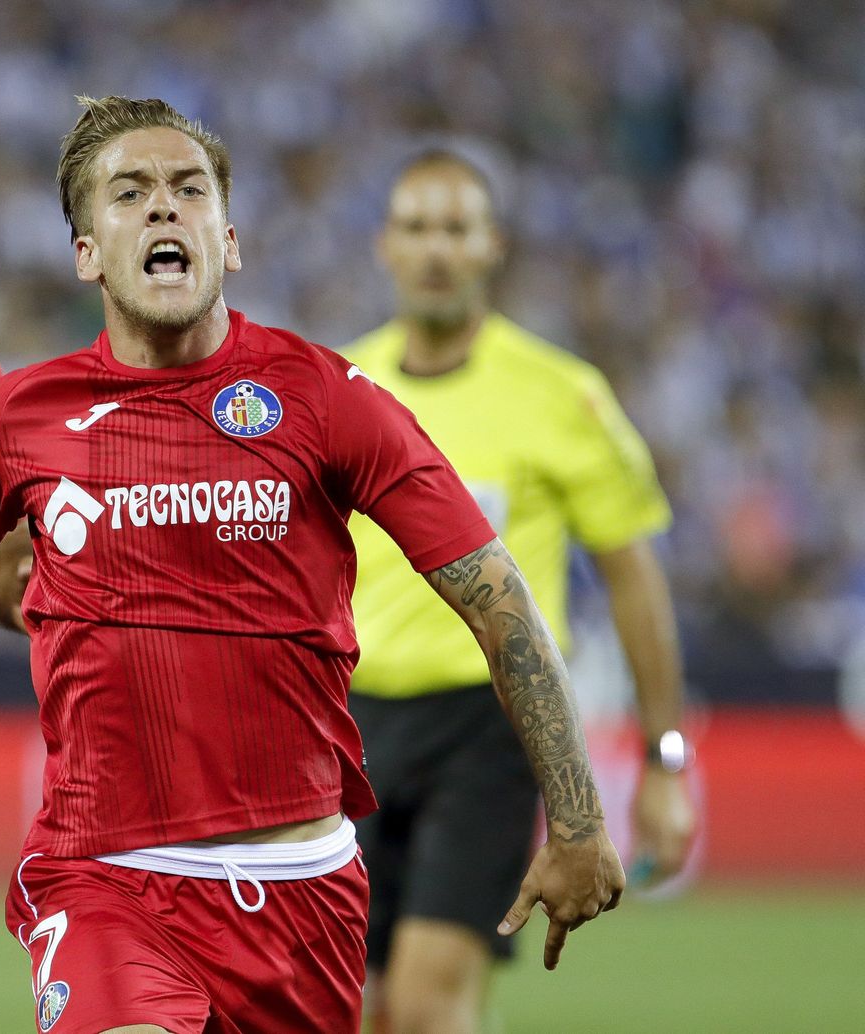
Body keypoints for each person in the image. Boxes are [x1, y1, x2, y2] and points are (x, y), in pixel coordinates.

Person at [0, 96, 624, 1034]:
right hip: (106, 878)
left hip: (303, 892)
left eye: (188, 189)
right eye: (129, 193)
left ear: (228, 236)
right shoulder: (19, 419)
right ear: (87, 251)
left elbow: (498, 600)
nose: (163, 209)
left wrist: (578, 816)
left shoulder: (329, 401)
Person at [342, 149, 697, 1034]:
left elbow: (634, 582)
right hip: (347, 726)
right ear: (385, 244)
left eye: (456, 228)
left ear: (491, 245)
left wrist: (665, 762)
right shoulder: (339, 389)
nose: (435, 249)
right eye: (417, 227)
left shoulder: (561, 396)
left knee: (426, 1006)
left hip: (489, 724)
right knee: (343, 1007)